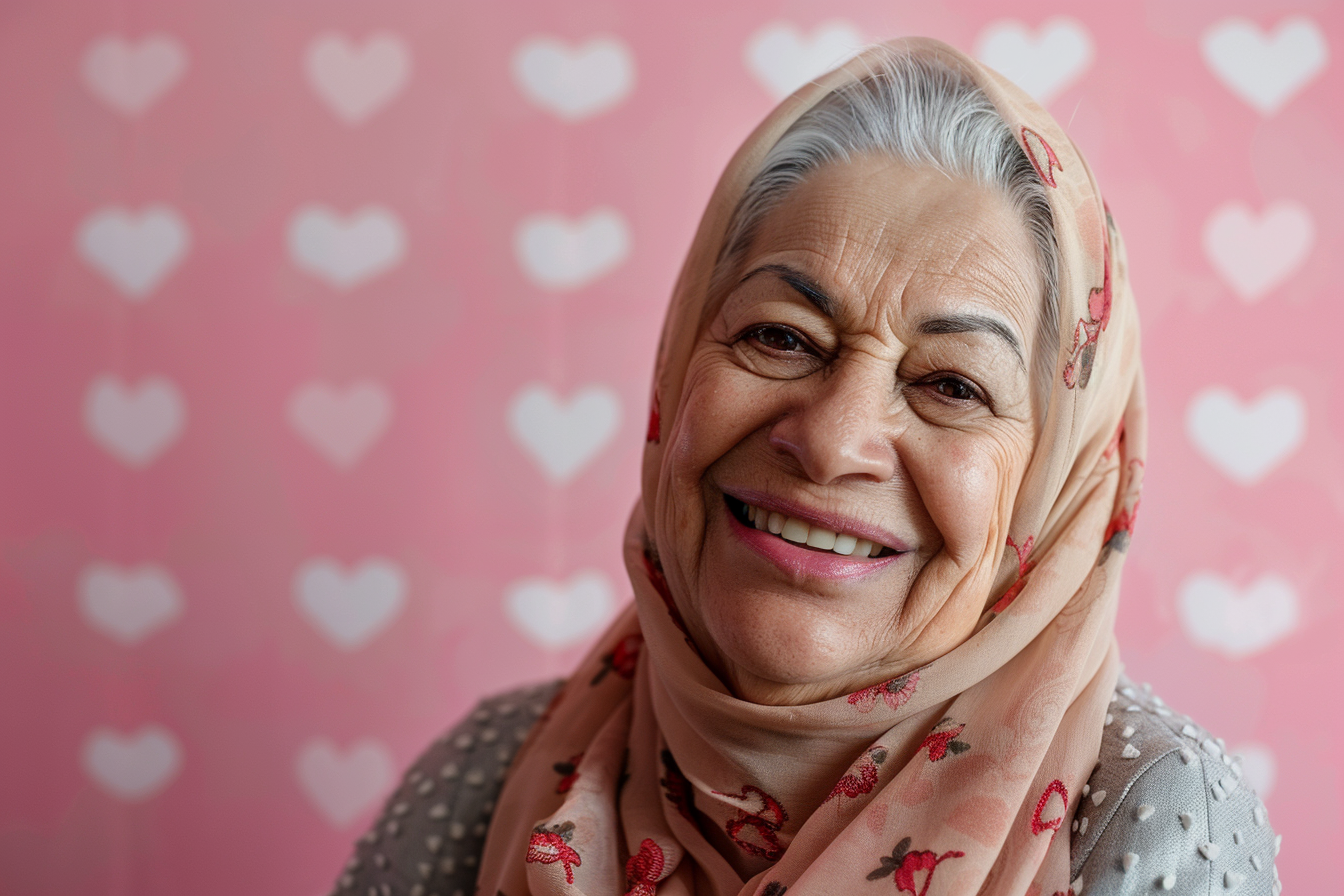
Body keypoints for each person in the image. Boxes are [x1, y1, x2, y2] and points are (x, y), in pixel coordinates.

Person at [332, 38, 1278, 896]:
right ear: (676, 367)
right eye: (782, 336)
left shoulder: (1141, 817)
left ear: (1057, 482)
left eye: (951, 386)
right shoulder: (493, 777)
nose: (830, 441)